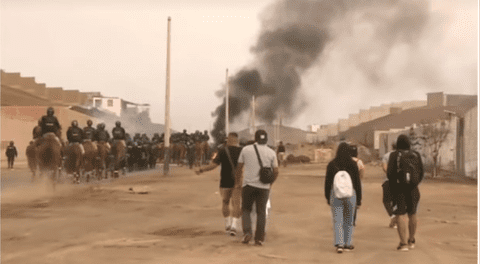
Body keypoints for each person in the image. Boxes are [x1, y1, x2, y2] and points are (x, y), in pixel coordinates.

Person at [235, 129, 279, 246]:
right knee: (261, 212)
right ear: (266, 139)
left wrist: (238, 182)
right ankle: (259, 238)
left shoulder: (246, 150)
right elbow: (276, 171)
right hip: (264, 187)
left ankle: (247, 233)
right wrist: (270, 184)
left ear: (255, 138)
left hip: (248, 185)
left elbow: (239, 168)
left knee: (246, 210)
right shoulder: (271, 152)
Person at [196, 132, 243, 236]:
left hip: (225, 181)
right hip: (237, 181)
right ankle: (234, 227)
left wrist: (201, 169)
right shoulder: (242, 151)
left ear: (228, 140)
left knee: (225, 202)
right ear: (236, 140)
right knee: (236, 204)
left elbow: (213, 165)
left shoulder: (222, 151)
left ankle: (227, 224)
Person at [387, 135, 423, 251]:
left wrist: (394, 186)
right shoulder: (416, 154)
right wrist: (414, 183)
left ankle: (403, 244)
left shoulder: (394, 155)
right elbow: (421, 172)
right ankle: (411, 240)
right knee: (412, 213)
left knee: (400, 214)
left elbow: (390, 173)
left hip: (399, 189)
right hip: (413, 189)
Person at [324, 142, 361, 253]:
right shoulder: (353, 164)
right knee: (349, 220)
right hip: (351, 194)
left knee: (338, 220)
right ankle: (347, 243)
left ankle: (339, 244)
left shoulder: (332, 164)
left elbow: (327, 182)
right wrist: (359, 199)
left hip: (335, 195)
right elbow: (357, 183)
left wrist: (327, 196)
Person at [382, 142, 397, 228]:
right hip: (400, 182)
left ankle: (393, 216)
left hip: (388, 181)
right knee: (396, 201)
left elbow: (384, 168)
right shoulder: (403, 155)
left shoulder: (387, 155)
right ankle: (394, 220)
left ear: (392, 146)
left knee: (386, 201)